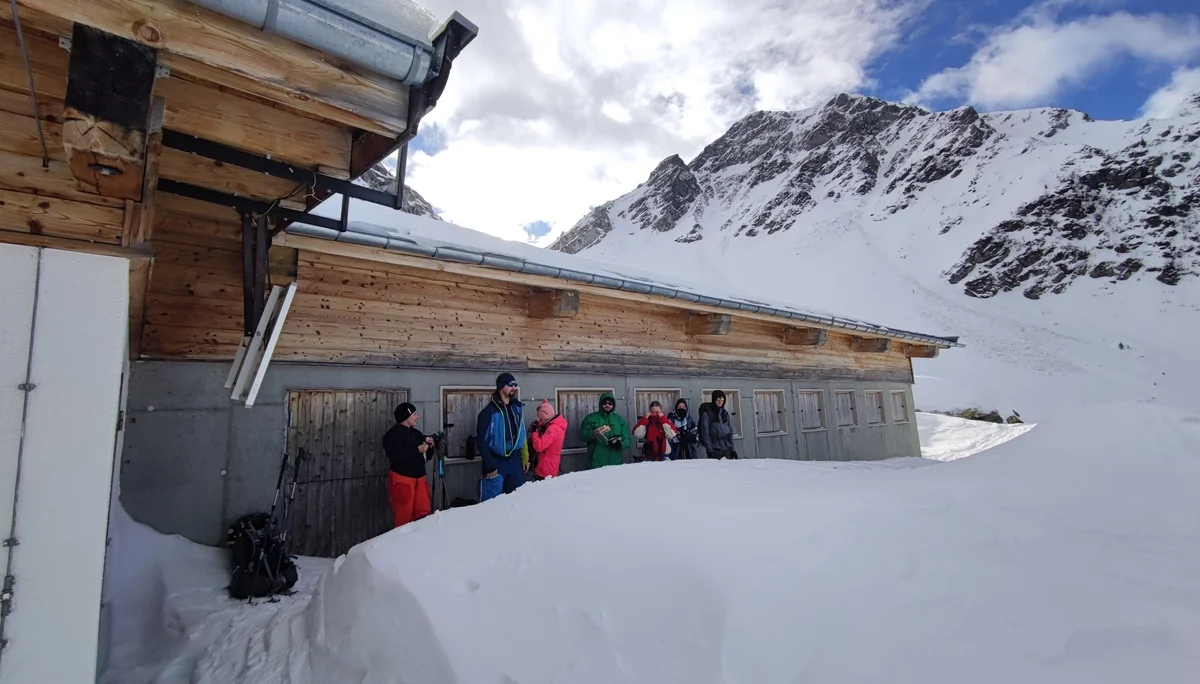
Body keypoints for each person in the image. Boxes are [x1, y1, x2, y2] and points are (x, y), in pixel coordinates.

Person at [476, 372, 529, 501]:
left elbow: (522, 435)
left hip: (515, 460)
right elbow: (481, 441)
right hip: (497, 460)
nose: (514, 387)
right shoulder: (489, 412)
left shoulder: (516, 409)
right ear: (501, 386)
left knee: (515, 500)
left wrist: (524, 457)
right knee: (493, 503)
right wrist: (489, 464)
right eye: (510, 384)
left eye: (515, 384)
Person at [381, 402, 433, 527]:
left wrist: (430, 447)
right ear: (406, 416)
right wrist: (417, 450)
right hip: (402, 480)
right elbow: (396, 458)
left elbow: (425, 458)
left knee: (424, 515)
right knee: (404, 518)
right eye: (414, 414)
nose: (417, 416)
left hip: (420, 479)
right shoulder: (392, 436)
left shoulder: (417, 434)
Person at [580, 391, 631, 469]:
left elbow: (627, 439)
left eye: (610, 403)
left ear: (613, 405)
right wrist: (593, 434)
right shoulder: (590, 418)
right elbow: (582, 436)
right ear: (601, 404)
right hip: (596, 463)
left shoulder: (620, 420)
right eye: (605, 403)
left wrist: (621, 444)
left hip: (615, 462)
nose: (607, 405)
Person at [528, 399, 567, 480]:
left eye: (541, 418)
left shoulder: (553, 429)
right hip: (549, 465)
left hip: (546, 468)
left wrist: (533, 433)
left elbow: (539, 446)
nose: (540, 420)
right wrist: (538, 425)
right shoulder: (555, 425)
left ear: (546, 416)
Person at [698, 390, 738, 459]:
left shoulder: (725, 413)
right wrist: (709, 450)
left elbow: (730, 433)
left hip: (726, 447)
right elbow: (705, 433)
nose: (720, 401)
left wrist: (733, 449)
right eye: (718, 399)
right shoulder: (707, 414)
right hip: (715, 448)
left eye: (722, 399)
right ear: (714, 400)